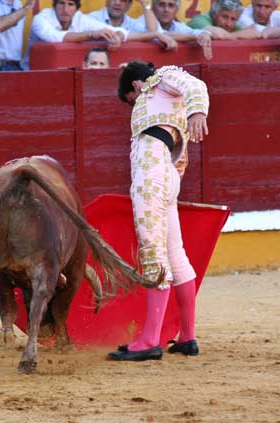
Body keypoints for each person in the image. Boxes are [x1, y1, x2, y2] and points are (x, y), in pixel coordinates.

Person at [108, 61, 209, 361]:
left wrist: (198, 111)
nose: (134, 105)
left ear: (136, 87)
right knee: (175, 255)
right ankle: (187, 337)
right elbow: (181, 157)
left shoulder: (161, 79)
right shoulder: (166, 102)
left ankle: (150, 340)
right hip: (166, 173)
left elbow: (196, 85)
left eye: (130, 100)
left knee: (153, 252)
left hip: (151, 175)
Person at [24, 0, 177, 70]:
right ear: (54, 5)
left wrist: (115, 36)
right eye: (61, 3)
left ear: (76, 8)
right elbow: (55, 37)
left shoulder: (80, 19)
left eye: (70, 4)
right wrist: (91, 34)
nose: (65, 9)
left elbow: (119, 32)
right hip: (30, 73)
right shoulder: (41, 18)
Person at [147, 0, 213, 59]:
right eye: (161, 5)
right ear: (153, 7)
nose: (166, 9)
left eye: (171, 5)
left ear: (177, 9)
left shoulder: (178, 26)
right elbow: (159, 34)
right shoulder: (142, 22)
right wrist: (195, 36)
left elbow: (195, 32)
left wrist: (204, 34)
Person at [188, 0, 260, 40]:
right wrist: (239, 35)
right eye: (225, 17)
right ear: (214, 14)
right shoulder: (198, 20)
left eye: (233, 19)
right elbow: (219, 35)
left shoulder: (230, 25)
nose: (228, 24)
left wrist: (229, 36)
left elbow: (255, 33)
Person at [88, 0, 157, 32]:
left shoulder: (132, 24)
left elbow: (152, 32)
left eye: (123, 0)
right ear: (106, 2)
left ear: (129, 6)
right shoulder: (92, 18)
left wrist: (145, 3)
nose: (117, 3)